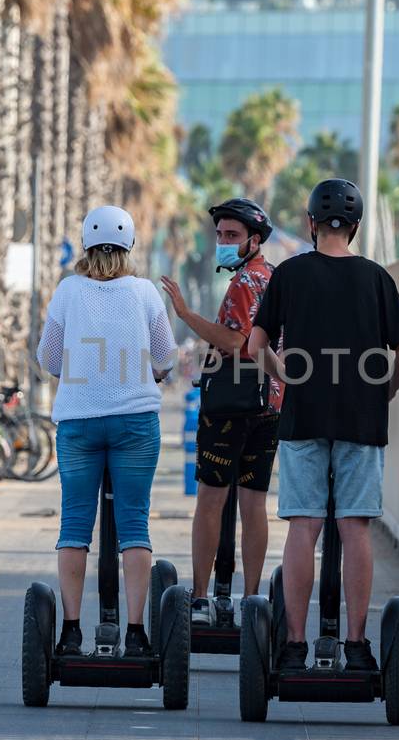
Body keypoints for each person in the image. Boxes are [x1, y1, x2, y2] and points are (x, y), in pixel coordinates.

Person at [248, 178, 399, 673]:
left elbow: (257, 348)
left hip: (303, 416)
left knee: (303, 526)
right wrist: (382, 392)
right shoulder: (375, 278)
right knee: (355, 528)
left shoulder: (290, 276)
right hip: (361, 419)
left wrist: (286, 376)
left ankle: (296, 646)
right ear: (357, 228)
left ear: (310, 224)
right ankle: (359, 645)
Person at [36, 206, 178, 658]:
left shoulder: (67, 291)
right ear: (129, 245)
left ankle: (72, 631)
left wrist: (81, 370)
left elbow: (49, 359)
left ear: (85, 243)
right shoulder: (143, 293)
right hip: (136, 422)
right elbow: (167, 356)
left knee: (75, 524)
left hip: (78, 423)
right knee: (134, 523)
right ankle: (135, 633)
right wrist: (148, 374)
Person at [160, 198, 280, 626]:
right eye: (220, 235)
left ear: (254, 239)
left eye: (232, 236)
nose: (223, 243)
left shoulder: (246, 281)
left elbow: (235, 343)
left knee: (211, 499)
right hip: (269, 405)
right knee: (253, 503)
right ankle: (251, 601)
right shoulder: (273, 277)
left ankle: (199, 598)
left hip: (231, 404)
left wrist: (185, 314)